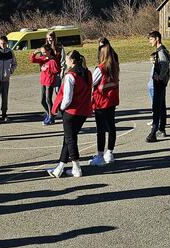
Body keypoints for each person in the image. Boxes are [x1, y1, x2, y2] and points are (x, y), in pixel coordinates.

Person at [46, 51, 93, 178]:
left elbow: (67, 98)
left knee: (70, 139)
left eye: (66, 60)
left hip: (71, 112)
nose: (65, 62)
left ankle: (76, 167)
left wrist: (61, 109)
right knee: (68, 138)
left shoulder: (70, 76)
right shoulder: (87, 73)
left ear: (72, 61)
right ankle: (59, 168)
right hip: (83, 111)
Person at [88, 39, 120, 167]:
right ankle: (110, 152)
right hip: (111, 100)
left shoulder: (100, 69)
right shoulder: (114, 67)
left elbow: (91, 83)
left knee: (100, 129)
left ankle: (100, 155)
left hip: (101, 102)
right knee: (111, 127)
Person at [145, 31, 170, 143]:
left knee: (156, 107)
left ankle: (153, 132)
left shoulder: (161, 51)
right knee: (162, 106)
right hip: (161, 83)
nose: (150, 41)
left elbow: (165, 63)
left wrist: (159, 77)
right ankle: (161, 128)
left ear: (157, 39)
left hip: (159, 84)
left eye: (151, 39)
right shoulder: (162, 50)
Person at [30, 43, 61, 126]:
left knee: (48, 99)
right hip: (43, 81)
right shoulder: (42, 59)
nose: (43, 53)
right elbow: (32, 60)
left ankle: (51, 117)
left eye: (44, 52)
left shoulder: (52, 61)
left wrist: (47, 68)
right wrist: (34, 53)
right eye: (42, 52)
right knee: (42, 100)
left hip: (49, 82)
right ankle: (50, 114)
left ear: (49, 51)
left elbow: (57, 71)